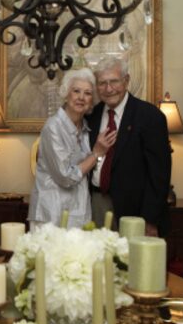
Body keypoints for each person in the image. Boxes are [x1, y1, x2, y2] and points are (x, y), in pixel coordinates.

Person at [87, 57, 171, 236]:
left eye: (114, 81)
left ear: (126, 81)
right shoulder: (91, 116)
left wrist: (150, 220)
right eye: (102, 83)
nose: (108, 89)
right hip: (95, 204)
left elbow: (159, 175)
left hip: (135, 211)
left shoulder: (150, 117)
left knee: (132, 263)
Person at [28, 68, 114, 229]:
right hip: (52, 214)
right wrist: (97, 154)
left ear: (92, 100)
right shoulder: (53, 127)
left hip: (79, 211)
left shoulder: (86, 127)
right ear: (66, 94)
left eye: (88, 93)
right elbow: (66, 177)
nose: (81, 97)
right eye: (76, 91)